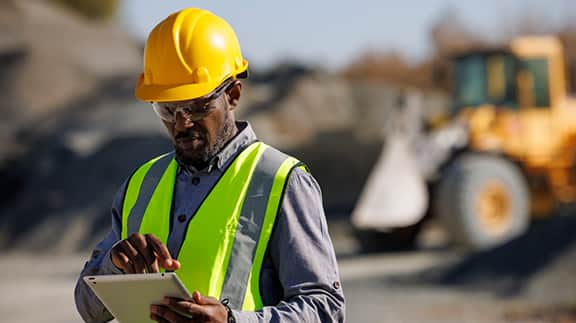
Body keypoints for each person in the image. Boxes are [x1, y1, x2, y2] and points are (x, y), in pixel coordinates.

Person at [74, 7, 345, 323]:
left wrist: (233, 321)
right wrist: (114, 266)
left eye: (197, 107)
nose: (182, 123)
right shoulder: (142, 184)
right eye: (167, 109)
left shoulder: (282, 182)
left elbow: (326, 309)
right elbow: (88, 309)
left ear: (232, 94)